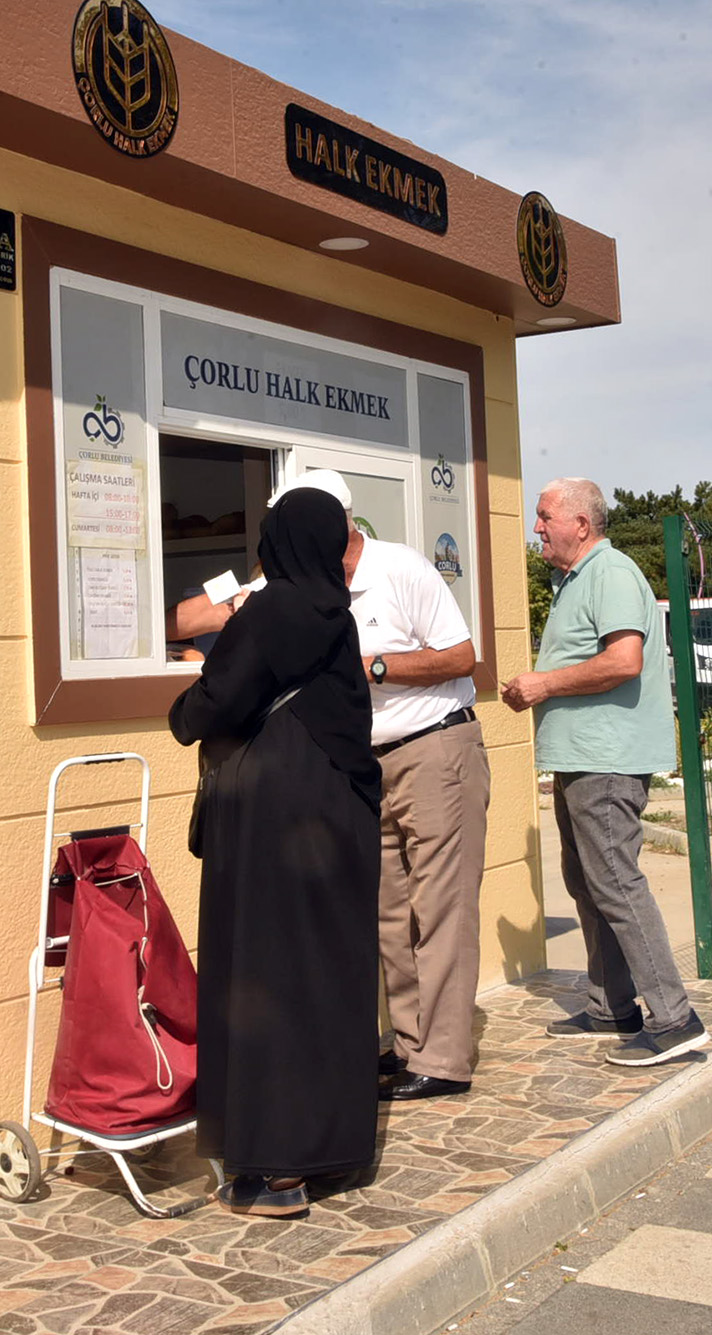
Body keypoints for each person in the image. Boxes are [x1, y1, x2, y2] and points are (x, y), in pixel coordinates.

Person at [168, 486, 382, 1219]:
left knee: (264, 976)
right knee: (326, 973)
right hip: (337, 813)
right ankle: (329, 1150)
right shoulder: (335, 614)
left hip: (270, 820)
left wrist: (181, 714)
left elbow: (214, 701)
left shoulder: (272, 611)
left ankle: (274, 1168)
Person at [271, 471, 491, 1103]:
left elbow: (459, 657)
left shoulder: (402, 569)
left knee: (441, 909)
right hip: (368, 762)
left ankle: (444, 1059)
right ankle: (409, 1043)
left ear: (338, 521)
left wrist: (372, 665)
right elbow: (201, 612)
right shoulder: (308, 582)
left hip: (435, 750)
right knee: (390, 913)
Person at [503, 477, 706, 1066]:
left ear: (581, 525)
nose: (536, 526)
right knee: (587, 881)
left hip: (607, 761)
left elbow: (624, 660)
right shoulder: (575, 579)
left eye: (544, 516)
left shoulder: (611, 573)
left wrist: (542, 683)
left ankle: (673, 1019)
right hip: (581, 759)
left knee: (615, 882)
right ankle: (610, 1005)